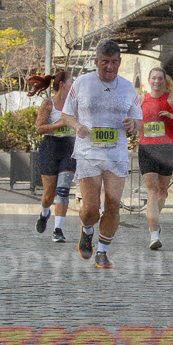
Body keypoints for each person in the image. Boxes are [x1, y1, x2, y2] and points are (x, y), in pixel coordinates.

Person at [60, 39, 142, 269]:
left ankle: (103, 252)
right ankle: (87, 230)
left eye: (114, 62)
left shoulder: (128, 87)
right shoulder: (82, 83)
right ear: (96, 61)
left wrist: (133, 124)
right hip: (88, 153)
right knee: (90, 210)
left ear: (120, 62)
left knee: (114, 205)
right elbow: (66, 115)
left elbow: (139, 121)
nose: (109, 67)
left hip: (116, 154)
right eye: (105, 62)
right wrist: (77, 126)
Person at [138, 67, 173, 250]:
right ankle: (154, 234)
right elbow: (134, 122)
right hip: (146, 148)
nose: (157, 81)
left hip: (166, 148)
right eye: (154, 78)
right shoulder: (141, 100)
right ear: (149, 80)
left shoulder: (172, 99)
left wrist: (172, 116)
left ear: (164, 80)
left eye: (160, 78)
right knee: (152, 191)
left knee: (162, 192)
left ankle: (154, 222)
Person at [30, 71, 77, 243]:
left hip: (68, 147)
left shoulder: (75, 103)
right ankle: (44, 213)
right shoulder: (48, 103)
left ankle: (58, 229)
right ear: (62, 84)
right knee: (49, 195)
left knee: (63, 189)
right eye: (71, 81)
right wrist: (61, 123)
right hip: (50, 146)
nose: (74, 84)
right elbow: (40, 128)